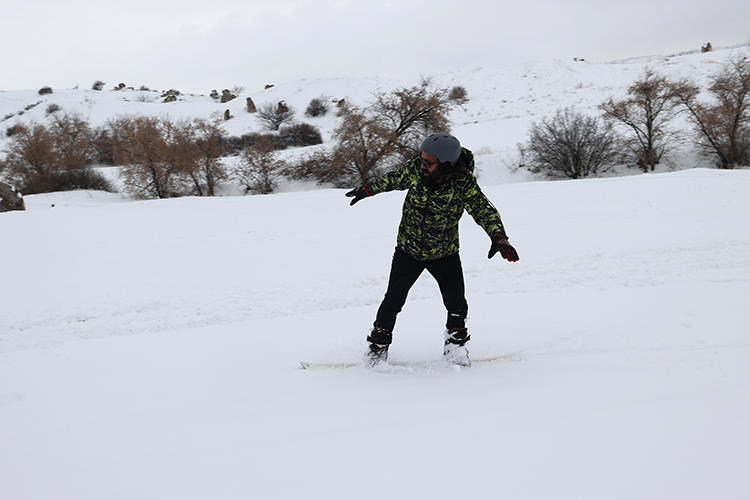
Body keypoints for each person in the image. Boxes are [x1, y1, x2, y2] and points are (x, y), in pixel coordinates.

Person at [345, 133, 519, 367]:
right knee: (393, 301)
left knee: (457, 303)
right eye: (421, 159)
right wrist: (368, 190)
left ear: (446, 164)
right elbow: (393, 179)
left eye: (428, 161)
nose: (422, 164)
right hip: (409, 249)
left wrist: (499, 236)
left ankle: (455, 348)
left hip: (444, 253)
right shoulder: (416, 170)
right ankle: (377, 348)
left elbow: (483, 209)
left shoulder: (462, 184)